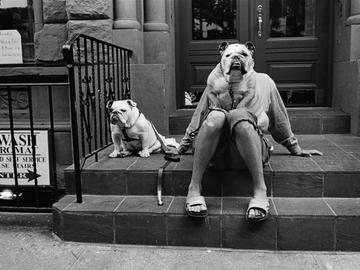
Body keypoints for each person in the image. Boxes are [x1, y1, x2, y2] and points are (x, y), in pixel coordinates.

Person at [177, 41, 322, 221]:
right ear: (222, 60)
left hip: (249, 151)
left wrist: (294, 147)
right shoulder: (213, 84)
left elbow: (279, 119)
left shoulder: (264, 81)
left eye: (243, 55)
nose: (236, 58)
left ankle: (260, 190)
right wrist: (181, 147)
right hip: (215, 154)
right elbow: (198, 118)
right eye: (229, 55)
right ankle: (194, 187)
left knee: (241, 117)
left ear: (251, 59)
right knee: (214, 117)